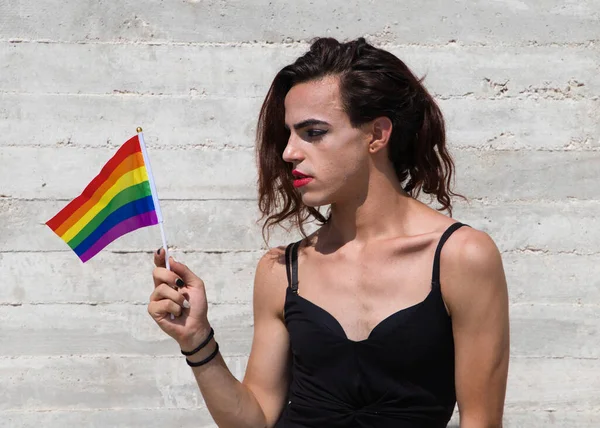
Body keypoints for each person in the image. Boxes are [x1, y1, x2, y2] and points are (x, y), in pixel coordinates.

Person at [148, 37, 510, 428]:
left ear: (377, 134)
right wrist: (196, 338)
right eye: (289, 134)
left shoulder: (462, 257)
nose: (289, 152)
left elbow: (482, 421)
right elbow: (253, 421)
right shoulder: (281, 270)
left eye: (313, 132)